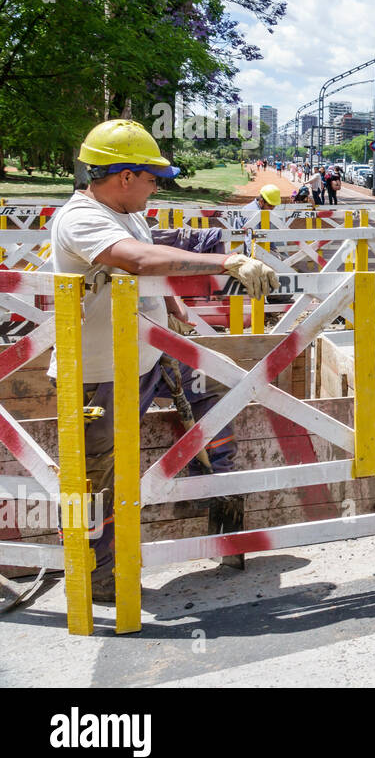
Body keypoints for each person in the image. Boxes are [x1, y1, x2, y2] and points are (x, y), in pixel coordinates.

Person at [49, 119, 280, 602]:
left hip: (150, 358)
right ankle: (98, 578)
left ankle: (219, 516)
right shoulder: (82, 218)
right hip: (101, 375)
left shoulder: (126, 212)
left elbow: (147, 262)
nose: (158, 185)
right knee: (97, 480)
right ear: (124, 175)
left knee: (218, 405)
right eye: (152, 177)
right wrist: (225, 263)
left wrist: (173, 309)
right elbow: (134, 260)